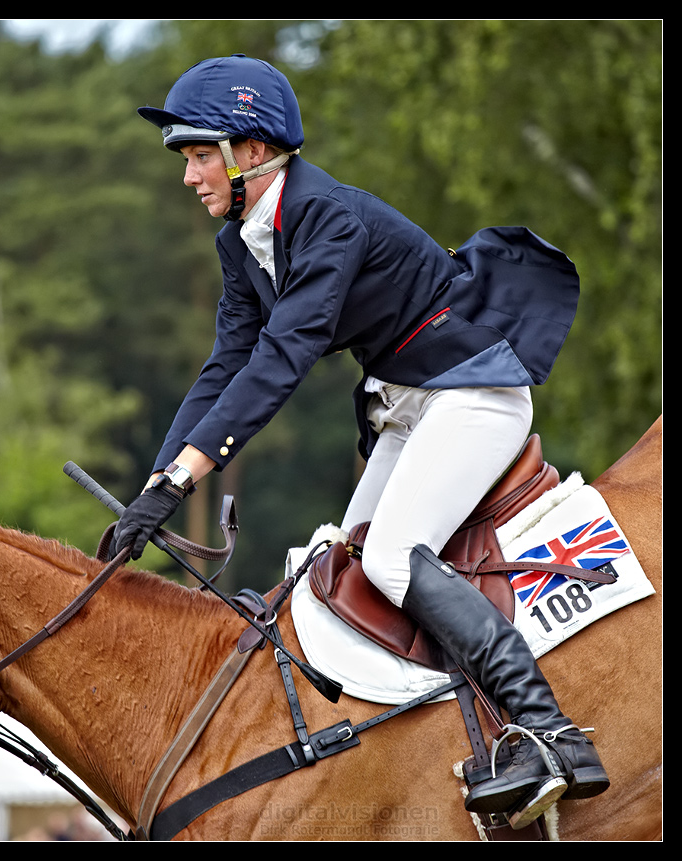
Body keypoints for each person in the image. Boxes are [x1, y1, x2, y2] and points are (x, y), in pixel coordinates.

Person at [115, 54, 607, 825]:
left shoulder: (329, 217)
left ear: (252, 152)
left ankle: (549, 733)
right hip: (410, 404)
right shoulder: (242, 242)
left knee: (389, 554)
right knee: (340, 562)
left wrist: (184, 481)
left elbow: (282, 359)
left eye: (200, 154)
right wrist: (154, 485)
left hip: (473, 391)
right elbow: (223, 370)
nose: (189, 177)